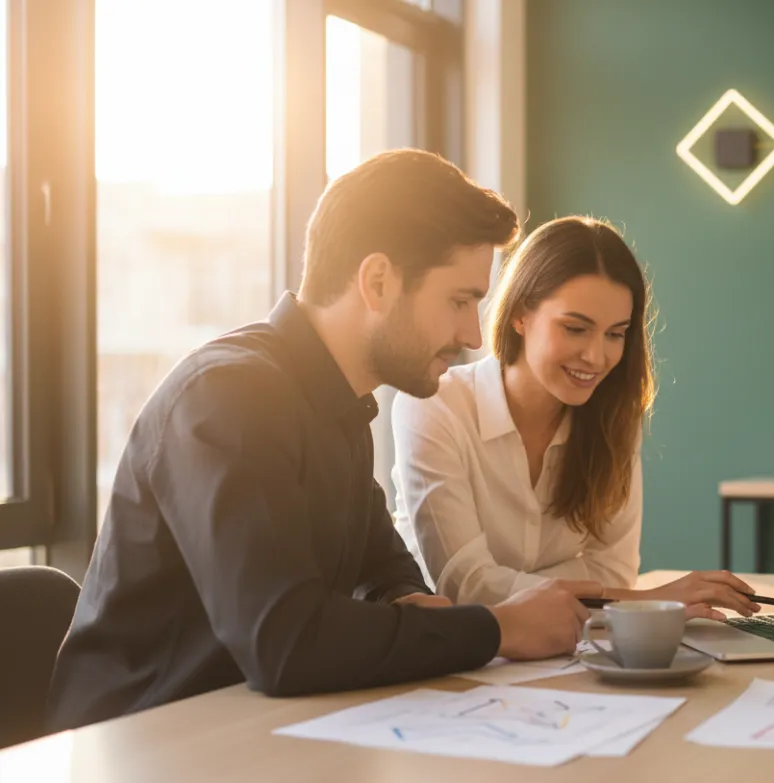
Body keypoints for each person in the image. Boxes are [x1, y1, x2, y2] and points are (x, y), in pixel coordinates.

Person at [47, 150, 590, 732]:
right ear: (377, 282)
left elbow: (381, 563)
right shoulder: (228, 397)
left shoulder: (339, 404)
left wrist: (405, 598)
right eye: (460, 300)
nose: (471, 335)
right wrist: (498, 628)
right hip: (136, 745)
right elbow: (284, 640)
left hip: (249, 731)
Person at [391, 216, 760, 618]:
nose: (596, 357)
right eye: (575, 328)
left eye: (615, 334)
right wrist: (653, 601)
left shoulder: (614, 418)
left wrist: (534, 589)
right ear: (520, 315)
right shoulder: (435, 406)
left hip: (568, 645)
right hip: (454, 649)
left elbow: (613, 572)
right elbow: (466, 587)